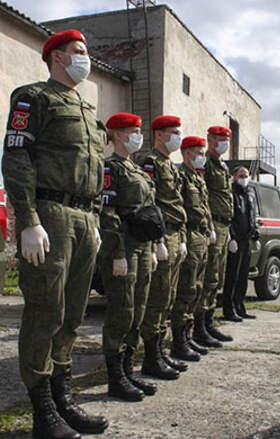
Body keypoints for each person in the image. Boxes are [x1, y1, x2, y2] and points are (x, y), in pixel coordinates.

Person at [2, 29, 108, 438]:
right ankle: (42, 411)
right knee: (45, 312)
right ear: (57, 57)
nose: (87, 59)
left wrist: (96, 219)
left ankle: (63, 398)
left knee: (73, 314)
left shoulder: (85, 109)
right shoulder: (34, 97)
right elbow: (17, 157)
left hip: (83, 218)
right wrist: (27, 220)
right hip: (50, 214)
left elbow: (95, 172)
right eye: (80, 52)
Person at [99, 112, 159, 402]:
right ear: (119, 135)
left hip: (143, 246)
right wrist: (117, 252)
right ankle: (115, 378)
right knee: (122, 311)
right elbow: (108, 213)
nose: (139, 135)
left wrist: (154, 246)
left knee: (138, 309)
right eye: (134, 131)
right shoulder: (111, 168)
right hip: (123, 245)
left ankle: (128, 369)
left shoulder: (134, 168)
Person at [139, 115, 188, 379]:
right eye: (174, 133)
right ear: (159, 134)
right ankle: (151, 358)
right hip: (160, 236)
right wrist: (157, 241)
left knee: (168, 297)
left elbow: (177, 206)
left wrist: (180, 238)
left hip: (174, 236)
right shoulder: (150, 163)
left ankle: (160, 352)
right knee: (156, 299)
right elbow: (150, 203)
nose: (177, 138)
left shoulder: (171, 166)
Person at [170, 136, 213, 361]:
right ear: (187, 153)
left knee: (196, 287)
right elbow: (179, 209)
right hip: (189, 233)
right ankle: (179, 341)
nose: (202, 157)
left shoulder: (198, 178)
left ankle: (188, 336)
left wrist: (210, 230)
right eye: (199, 152)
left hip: (202, 235)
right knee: (186, 289)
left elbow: (205, 208)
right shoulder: (182, 176)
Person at [197, 126, 235, 345]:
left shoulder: (222, 166)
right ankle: (200, 327)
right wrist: (209, 226)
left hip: (223, 227)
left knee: (217, 279)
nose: (224, 143)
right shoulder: (206, 164)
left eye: (226, 140)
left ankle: (209, 323)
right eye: (220, 139)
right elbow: (202, 198)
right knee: (208, 277)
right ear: (210, 140)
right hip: (212, 227)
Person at [222, 166, 260, 321]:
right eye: (241, 175)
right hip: (235, 240)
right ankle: (229, 310)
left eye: (246, 175)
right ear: (234, 176)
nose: (244, 178)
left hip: (246, 240)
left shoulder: (250, 192)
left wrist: (255, 237)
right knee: (232, 276)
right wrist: (231, 237)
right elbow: (228, 216)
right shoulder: (230, 192)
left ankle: (240, 306)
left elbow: (252, 216)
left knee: (243, 276)